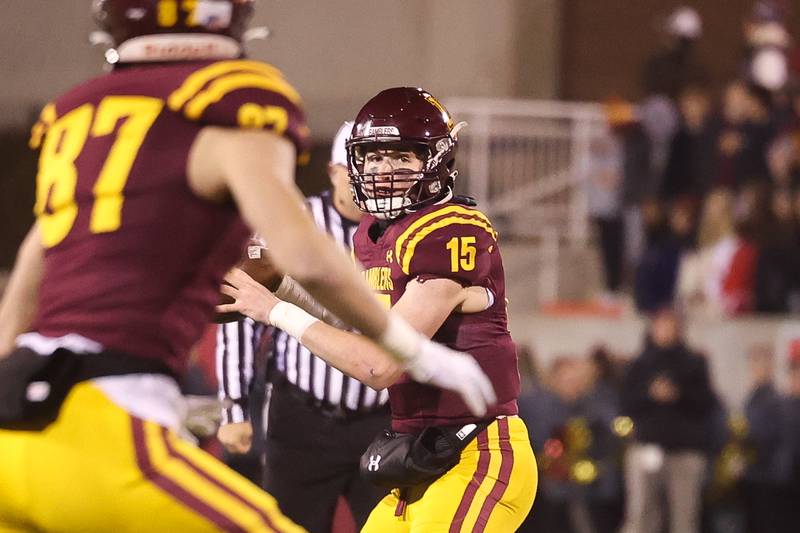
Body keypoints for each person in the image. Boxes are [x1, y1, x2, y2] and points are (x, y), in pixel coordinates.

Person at [0, 2, 495, 531]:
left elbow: (34, 259)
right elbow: (307, 256)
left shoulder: (83, 112)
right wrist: (411, 347)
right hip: (112, 424)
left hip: (14, 421)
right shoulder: (232, 101)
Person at [219, 87, 537, 532]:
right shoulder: (373, 233)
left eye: (402, 158)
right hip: (416, 451)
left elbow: (380, 363)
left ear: (435, 162)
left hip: (477, 452)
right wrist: (284, 286)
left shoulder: (451, 231)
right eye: (373, 157)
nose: (384, 170)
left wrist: (275, 310)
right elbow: (360, 323)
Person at [216, 122, 391, 532]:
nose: (368, 181)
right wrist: (233, 407)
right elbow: (243, 308)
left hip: (384, 418)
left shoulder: (406, 229)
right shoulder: (293, 223)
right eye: (356, 169)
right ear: (333, 172)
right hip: (305, 415)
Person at [619, 308, 716, 533]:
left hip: (684, 449)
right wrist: (650, 394)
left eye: (671, 325)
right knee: (641, 513)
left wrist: (678, 394)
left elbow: (707, 403)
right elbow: (625, 402)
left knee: (685, 516)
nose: (666, 330)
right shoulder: (640, 364)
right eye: (661, 324)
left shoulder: (694, 362)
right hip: (647, 445)